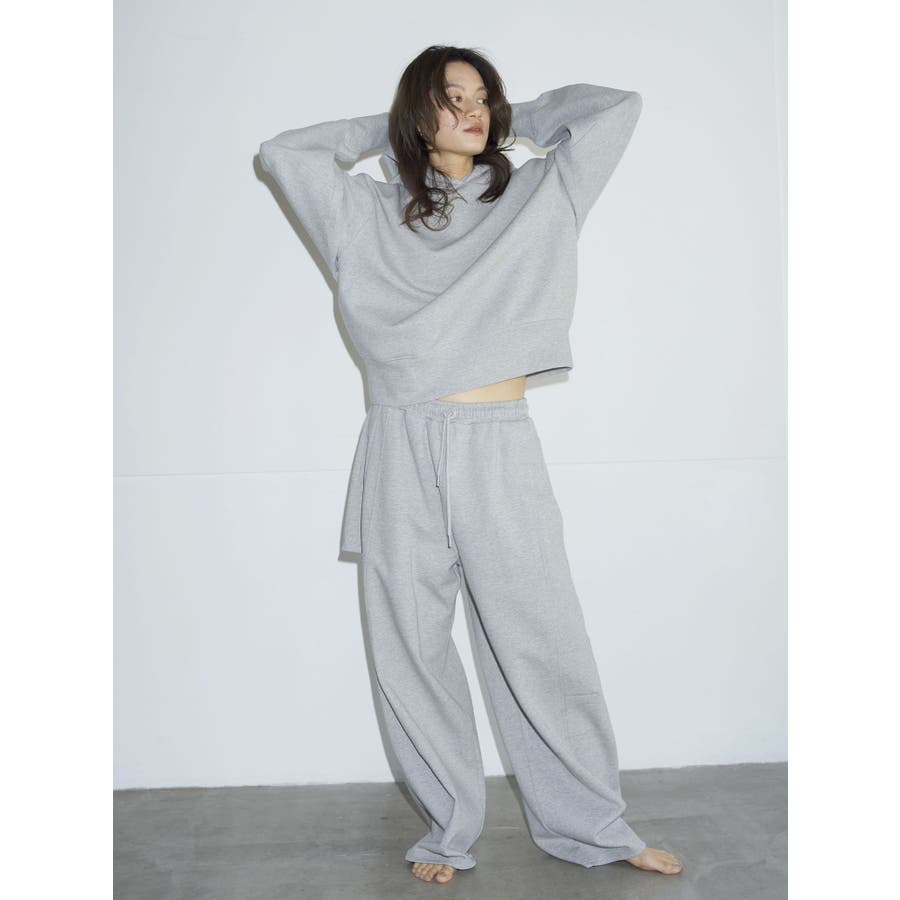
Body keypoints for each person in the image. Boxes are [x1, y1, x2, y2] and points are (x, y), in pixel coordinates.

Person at [259, 44, 683, 886]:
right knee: (412, 651)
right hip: (398, 443)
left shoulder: (540, 193)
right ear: (418, 111)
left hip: (497, 441)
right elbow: (283, 154)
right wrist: (395, 129)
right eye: (452, 98)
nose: (473, 111)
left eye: (483, 97)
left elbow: (618, 107)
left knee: (543, 641)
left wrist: (515, 117)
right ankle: (447, 830)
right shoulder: (365, 211)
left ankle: (592, 825)